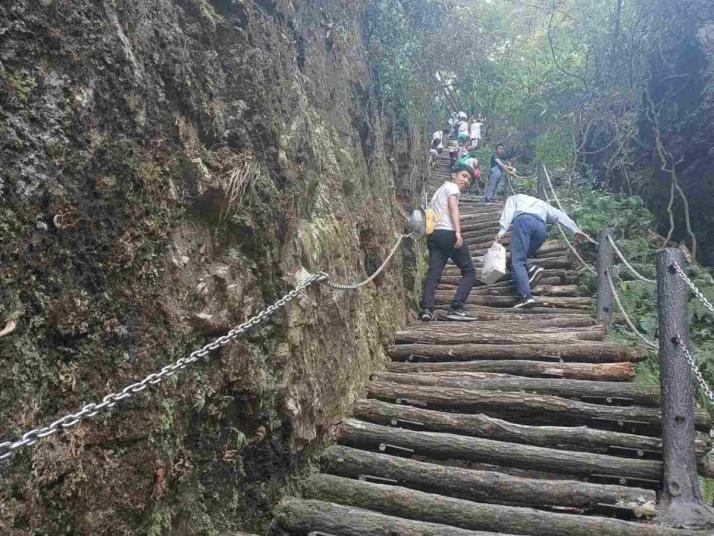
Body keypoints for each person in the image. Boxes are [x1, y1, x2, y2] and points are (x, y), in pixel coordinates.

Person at [495, 194, 587, 308]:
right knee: (516, 259)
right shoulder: (542, 203)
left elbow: (508, 213)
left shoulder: (514, 198)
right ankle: (531, 269)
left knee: (517, 261)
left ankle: (526, 297)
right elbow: (559, 215)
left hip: (524, 223)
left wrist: (502, 231)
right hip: (541, 229)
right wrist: (575, 230)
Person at [420, 164, 476, 321]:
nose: (466, 181)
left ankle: (427, 309)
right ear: (454, 175)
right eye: (464, 176)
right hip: (447, 233)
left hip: (434, 235)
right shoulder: (452, 187)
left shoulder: (439, 191)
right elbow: (453, 208)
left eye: (469, 179)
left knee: (434, 273)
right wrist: (457, 232)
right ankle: (456, 307)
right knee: (469, 271)